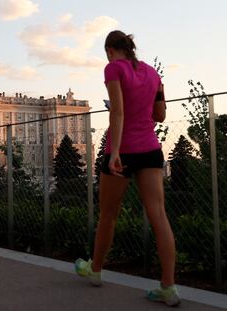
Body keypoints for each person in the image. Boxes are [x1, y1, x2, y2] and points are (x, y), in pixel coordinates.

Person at [75, 30, 180, 307]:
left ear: (110, 50)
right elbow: (160, 115)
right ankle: (168, 288)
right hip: (150, 150)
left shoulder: (113, 68)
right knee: (159, 216)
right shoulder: (153, 75)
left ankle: (95, 271)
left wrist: (116, 152)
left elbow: (117, 111)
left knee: (108, 215)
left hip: (122, 151)